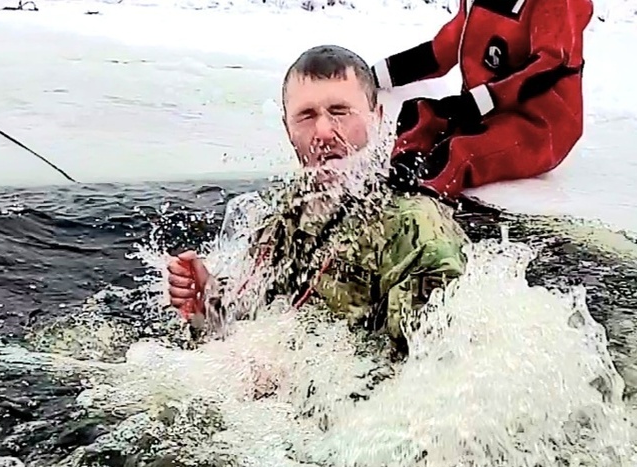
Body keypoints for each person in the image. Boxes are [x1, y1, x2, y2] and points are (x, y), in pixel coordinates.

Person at [166, 45, 470, 351]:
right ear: (288, 129)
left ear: (377, 119)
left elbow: (426, 370)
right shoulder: (283, 215)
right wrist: (209, 305)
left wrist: (291, 372)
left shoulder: (414, 229)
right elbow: (253, 322)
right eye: (306, 116)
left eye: (340, 111)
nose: (323, 131)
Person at [371, 0, 593, 200]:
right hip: (486, 110)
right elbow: (442, 50)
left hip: (539, 126)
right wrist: (369, 77)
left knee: (456, 152)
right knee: (417, 114)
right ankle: (399, 180)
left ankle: (422, 204)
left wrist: (480, 101)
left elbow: (549, 65)